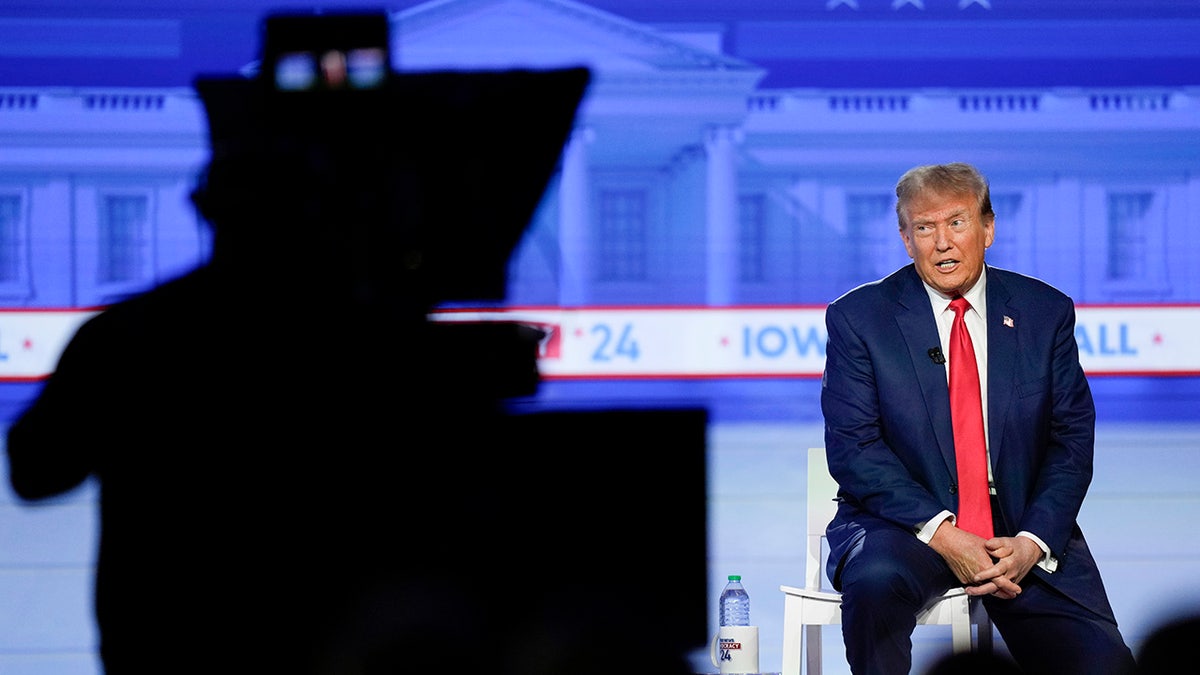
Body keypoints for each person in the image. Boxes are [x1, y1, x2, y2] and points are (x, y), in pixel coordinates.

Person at [820, 162, 1137, 674]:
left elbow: (1071, 443)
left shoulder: (1044, 312)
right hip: (906, 529)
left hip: (1019, 531)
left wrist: (1033, 542)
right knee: (874, 585)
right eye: (924, 228)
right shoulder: (861, 319)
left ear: (988, 228)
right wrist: (945, 534)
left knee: (1104, 664)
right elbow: (855, 449)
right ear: (906, 239)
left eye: (957, 223)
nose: (942, 243)